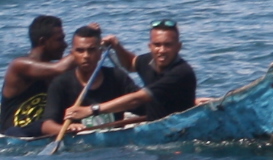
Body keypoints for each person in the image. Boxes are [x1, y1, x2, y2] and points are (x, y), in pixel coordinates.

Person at [58, 21, 193, 131]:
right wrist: (117, 47)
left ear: (178, 47)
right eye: (157, 45)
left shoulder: (181, 72)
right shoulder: (148, 61)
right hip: (156, 128)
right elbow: (130, 64)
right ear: (150, 46)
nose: (162, 50)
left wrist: (91, 110)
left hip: (178, 131)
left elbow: (138, 99)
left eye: (168, 45)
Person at [36, 23, 133, 140]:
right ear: (72, 54)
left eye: (91, 50)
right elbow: (46, 125)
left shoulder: (117, 77)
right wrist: (67, 129)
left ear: (100, 53)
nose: (86, 56)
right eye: (80, 51)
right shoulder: (60, 84)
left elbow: (143, 103)